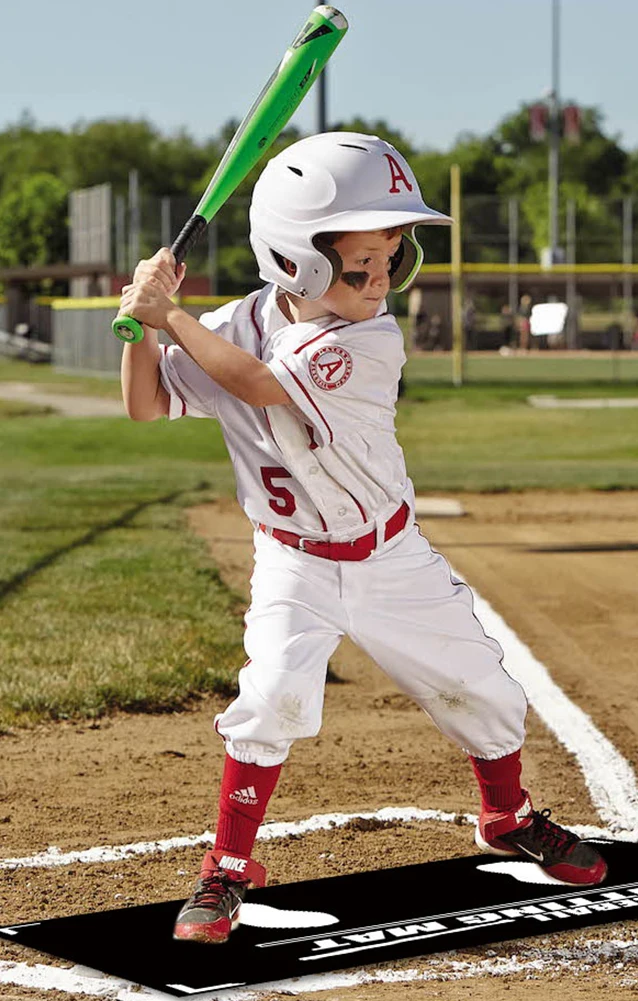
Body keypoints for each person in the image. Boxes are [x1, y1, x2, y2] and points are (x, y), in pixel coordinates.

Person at [118, 132, 607, 946]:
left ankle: (506, 814)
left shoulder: (367, 339)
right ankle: (226, 867)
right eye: (360, 265)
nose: (380, 279)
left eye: (392, 257)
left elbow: (258, 383)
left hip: (388, 555)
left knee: (483, 690)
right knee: (271, 697)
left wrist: (167, 315)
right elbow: (146, 405)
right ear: (295, 261)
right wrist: (142, 328)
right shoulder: (231, 324)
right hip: (293, 560)